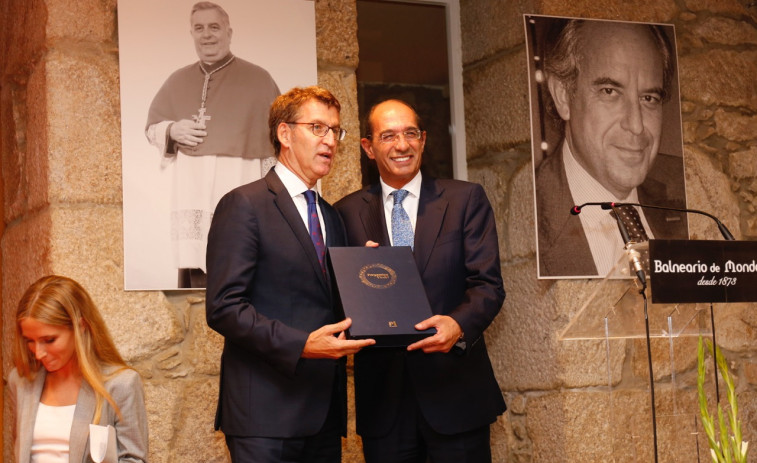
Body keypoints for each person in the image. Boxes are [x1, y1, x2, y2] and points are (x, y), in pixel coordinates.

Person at [205, 86, 375, 463]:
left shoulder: (331, 216)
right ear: (284, 134)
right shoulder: (244, 205)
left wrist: (363, 278)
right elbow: (223, 307)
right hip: (264, 416)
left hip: (323, 416)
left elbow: (324, 302)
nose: (330, 140)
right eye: (317, 128)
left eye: (335, 130)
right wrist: (301, 344)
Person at [335, 99, 506, 463]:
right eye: (389, 136)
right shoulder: (345, 213)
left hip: (456, 395)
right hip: (384, 403)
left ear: (423, 140)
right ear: (368, 147)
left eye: (410, 133)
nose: (402, 145)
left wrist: (458, 324)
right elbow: (337, 298)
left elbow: (488, 284)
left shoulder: (465, 199)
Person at [535, 19, 688, 278]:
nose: (637, 125)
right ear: (562, 95)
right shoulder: (528, 215)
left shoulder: (690, 189)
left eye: (648, 98)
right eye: (610, 91)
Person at [145, 1, 280, 288]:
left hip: (239, 185)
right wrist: (173, 129)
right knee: (194, 285)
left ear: (229, 33)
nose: (207, 35)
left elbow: (277, 146)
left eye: (214, 27)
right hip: (190, 191)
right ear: (192, 34)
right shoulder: (177, 79)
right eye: (199, 28)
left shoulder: (258, 79)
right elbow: (152, 128)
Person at [8, 275, 148, 463]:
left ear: (80, 326)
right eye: (30, 341)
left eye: (49, 340)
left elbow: (134, 459)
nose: (38, 353)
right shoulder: (21, 381)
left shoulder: (121, 384)